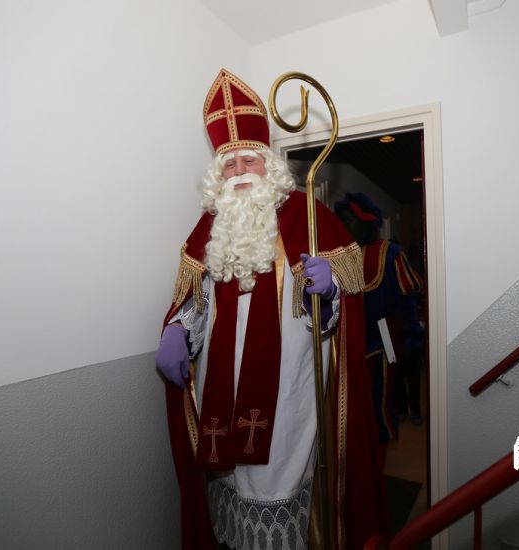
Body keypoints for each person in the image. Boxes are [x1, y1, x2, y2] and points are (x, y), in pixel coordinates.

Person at [155, 69, 387, 550]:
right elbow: (198, 302)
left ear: (269, 165)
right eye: (229, 164)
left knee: (280, 482)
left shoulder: (308, 216)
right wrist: (178, 328)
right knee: (231, 494)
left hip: (289, 394)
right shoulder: (211, 228)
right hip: (222, 394)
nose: (240, 172)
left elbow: (342, 315)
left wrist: (329, 292)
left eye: (249, 160)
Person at [333, 193, 424, 463]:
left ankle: (377, 460)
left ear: (366, 222)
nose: (343, 226)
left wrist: (411, 341)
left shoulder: (390, 253)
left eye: (348, 221)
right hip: (347, 347)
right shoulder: (339, 256)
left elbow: (407, 301)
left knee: (380, 407)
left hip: (382, 345)